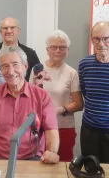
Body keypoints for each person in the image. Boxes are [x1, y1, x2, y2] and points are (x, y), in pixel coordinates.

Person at [0, 46, 59, 164]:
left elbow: (51, 130)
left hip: (33, 159)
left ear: (25, 66)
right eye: (5, 66)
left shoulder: (42, 96)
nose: (11, 71)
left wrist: (51, 152)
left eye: (15, 64)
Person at [30, 30, 83, 161]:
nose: (58, 50)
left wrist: (60, 110)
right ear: (47, 49)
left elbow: (78, 104)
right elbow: (29, 97)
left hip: (63, 127)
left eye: (62, 47)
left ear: (68, 49)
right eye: (53, 47)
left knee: (63, 165)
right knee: (39, 164)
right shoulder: (37, 70)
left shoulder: (71, 73)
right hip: (40, 127)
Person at [79, 21, 109, 163]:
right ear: (92, 40)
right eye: (96, 39)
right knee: (90, 170)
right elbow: (85, 92)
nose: (101, 43)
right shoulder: (84, 64)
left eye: (106, 39)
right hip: (89, 129)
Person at [0, 17, 40, 84]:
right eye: (5, 28)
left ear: (18, 30)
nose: (9, 31)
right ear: (0, 31)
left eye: (12, 28)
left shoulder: (30, 54)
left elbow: (38, 78)